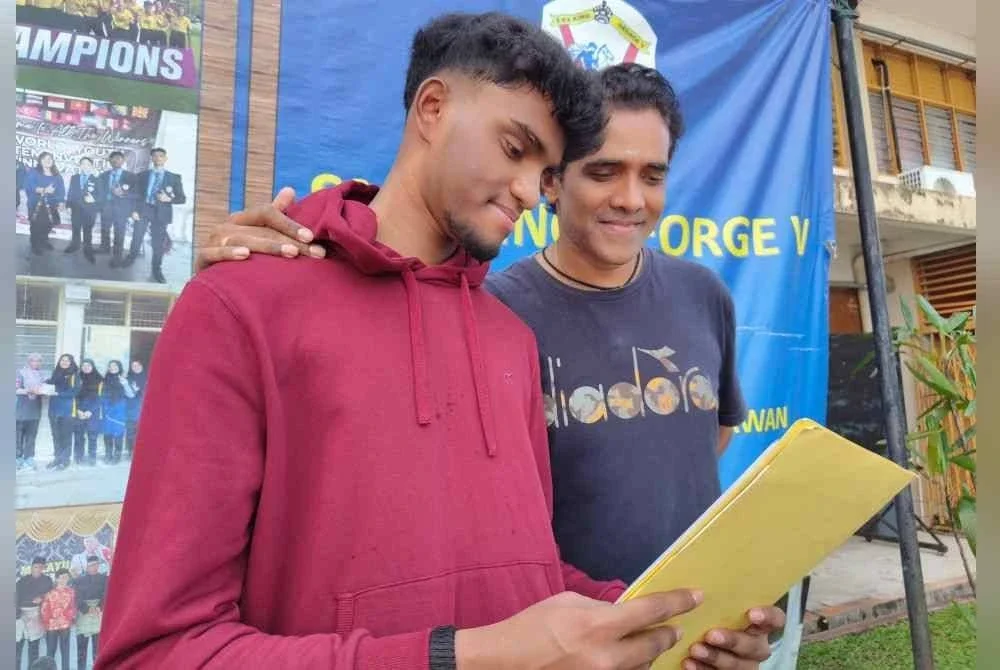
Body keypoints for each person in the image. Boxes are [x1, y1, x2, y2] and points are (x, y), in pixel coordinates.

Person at [97, 12, 705, 670]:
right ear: (434, 107)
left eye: (547, 170)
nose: (531, 192)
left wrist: (670, 624)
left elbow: (524, 577)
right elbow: (157, 652)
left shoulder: (510, 339)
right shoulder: (239, 307)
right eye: (514, 148)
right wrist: (458, 658)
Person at [198, 63, 783, 669]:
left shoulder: (703, 294)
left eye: (652, 175)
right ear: (554, 184)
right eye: (604, 171)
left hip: (672, 633)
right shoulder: (494, 317)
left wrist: (688, 613)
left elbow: (710, 434)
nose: (630, 198)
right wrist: (268, 275)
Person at [130, 147, 186, 283]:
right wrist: (133, 211)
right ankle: (130, 260)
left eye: (161, 156)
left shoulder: (174, 177)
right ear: (151, 158)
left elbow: (182, 198)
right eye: (155, 156)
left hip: (161, 213)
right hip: (144, 210)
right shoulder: (141, 176)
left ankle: (156, 269)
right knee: (137, 237)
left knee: (158, 244)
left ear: (165, 159)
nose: (158, 158)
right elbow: (134, 195)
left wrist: (169, 199)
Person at [98, 151, 137, 263]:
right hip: (106, 207)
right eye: (113, 159)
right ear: (109, 161)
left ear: (123, 160)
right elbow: (100, 192)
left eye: (119, 158)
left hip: (122, 209)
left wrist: (124, 193)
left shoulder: (131, 176)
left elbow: (137, 194)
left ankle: (117, 255)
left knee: (119, 232)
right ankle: (104, 248)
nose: (116, 161)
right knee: (104, 229)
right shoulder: (103, 175)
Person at [23, 152, 65, 255]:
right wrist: (44, 189)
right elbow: (28, 186)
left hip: (51, 205)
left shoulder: (57, 176)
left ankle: (44, 241)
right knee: (36, 225)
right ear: (40, 161)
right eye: (44, 159)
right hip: (36, 204)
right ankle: (35, 244)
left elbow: (61, 190)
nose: (47, 161)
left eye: (50, 158)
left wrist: (61, 202)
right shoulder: (34, 172)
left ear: (53, 161)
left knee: (48, 225)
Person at [66, 156, 106, 262]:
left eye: (87, 164)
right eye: (82, 164)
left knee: (88, 231)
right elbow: (70, 193)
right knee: (75, 229)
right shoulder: (74, 177)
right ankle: (74, 245)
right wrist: (68, 205)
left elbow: (102, 196)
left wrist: (94, 199)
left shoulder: (97, 179)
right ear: (80, 166)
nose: (85, 166)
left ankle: (88, 250)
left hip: (90, 210)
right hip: (76, 209)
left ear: (91, 166)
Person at [16, 557, 53, 669]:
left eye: (41, 567)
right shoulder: (22, 581)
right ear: (31, 567)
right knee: (17, 648)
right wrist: (17, 615)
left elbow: (52, 594)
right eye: (36, 567)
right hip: (20, 615)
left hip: (36, 614)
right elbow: (14, 598)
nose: (38, 569)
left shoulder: (47, 580)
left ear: (44, 568)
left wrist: (42, 597)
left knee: (34, 649)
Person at [73, 555, 109, 669]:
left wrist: (99, 606)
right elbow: (76, 597)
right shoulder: (79, 580)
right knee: (81, 650)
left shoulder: (104, 579)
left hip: (98, 614)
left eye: (96, 565)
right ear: (86, 567)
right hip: (83, 614)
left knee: (98, 651)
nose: (94, 567)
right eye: (91, 565)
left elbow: (107, 594)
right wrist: (86, 609)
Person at [46, 354, 79, 471]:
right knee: (56, 435)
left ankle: (65, 460)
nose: (64, 362)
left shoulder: (74, 375)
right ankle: (57, 458)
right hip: (53, 409)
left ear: (71, 362)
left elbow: (75, 392)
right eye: (62, 360)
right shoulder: (56, 373)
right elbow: (49, 384)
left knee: (66, 436)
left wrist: (58, 394)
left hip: (67, 410)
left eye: (67, 360)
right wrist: (42, 386)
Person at [40, 568, 77, 670]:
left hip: (65, 625)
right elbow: (44, 609)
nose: (65, 579)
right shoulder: (49, 593)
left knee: (65, 652)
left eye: (66, 577)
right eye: (62, 577)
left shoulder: (71, 592)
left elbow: (73, 607)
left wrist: (70, 617)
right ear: (56, 579)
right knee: (50, 652)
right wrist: (47, 623)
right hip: (51, 627)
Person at [16, 353, 46, 471]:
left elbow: (44, 389)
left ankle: (29, 457)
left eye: (39, 361)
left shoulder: (41, 374)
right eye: (33, 361)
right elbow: (16, 389)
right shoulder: (20, 373)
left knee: (31, 436)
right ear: (28, 361)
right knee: (18, 436)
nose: (36, 363)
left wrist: (46, 392)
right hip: (21, 409)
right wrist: (29, 390)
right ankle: (17, 458)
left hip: (35, 410)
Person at [100, 360, 132, 464]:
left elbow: (131, 395)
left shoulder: (124, 379)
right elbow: (100, 393)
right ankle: (108, 454)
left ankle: (117, 455)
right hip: (107, 407)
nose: (113, 367)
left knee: (118, 431)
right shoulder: (104, 380)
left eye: (115, 365)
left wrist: (125, 384)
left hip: (119, 408)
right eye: (111, 366)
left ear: (119, 367)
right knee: (107, 431)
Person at [74, 359, 104, 467]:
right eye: (84, 365)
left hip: (93, 412)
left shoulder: (100, 380)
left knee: (92, 435)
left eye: (88, 365)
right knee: (79, 435)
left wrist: (90, 411)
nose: (86, 367)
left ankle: (92, 457)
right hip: (79, 411)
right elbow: (74, 395)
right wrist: (78, 410)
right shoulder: (77, 379)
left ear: (93, 366)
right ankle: (79, 456)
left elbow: (101, 398)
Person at [124, 359, 147, 459]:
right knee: (131, 431)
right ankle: (131, 451)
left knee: (143, 431)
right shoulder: (128, 378)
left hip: (145, 407)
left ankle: (143, 451)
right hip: (131, 407)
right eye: (133, 366)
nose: (135, 367)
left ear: (142, 366)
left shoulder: (149, 376)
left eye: (137, 365)